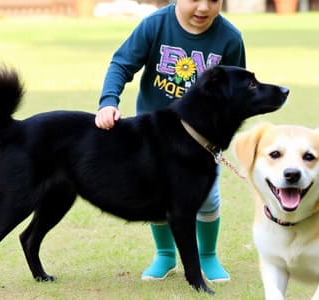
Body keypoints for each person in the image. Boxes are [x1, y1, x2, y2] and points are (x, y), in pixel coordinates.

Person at [94, 0, 245, 283]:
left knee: (208, 198)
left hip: (201, 139)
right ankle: (164, 254)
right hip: (155, 136)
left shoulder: (230, 38)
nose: (203, 7)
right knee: (159, 196)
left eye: (213, 0)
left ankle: (207, 255)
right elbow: (121, 64)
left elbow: (236, 93)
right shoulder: (156, 24)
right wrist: (108, 101)